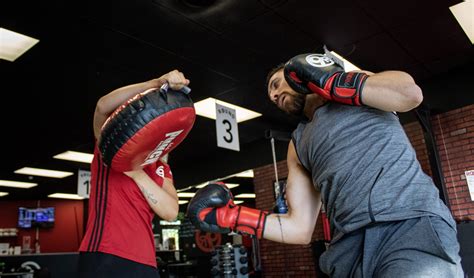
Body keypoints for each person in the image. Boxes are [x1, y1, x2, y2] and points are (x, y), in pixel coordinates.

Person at [187, 54, 464, 277]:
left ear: (300, 72)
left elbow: (409, 94)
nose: (273, 96)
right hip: (349, 247)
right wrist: (232, 218)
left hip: (408, 224)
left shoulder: (361, 89)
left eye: (275, 84)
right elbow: (299, 228)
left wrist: (333, 81)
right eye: (270, 93)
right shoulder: (298, 142)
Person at [78, 70, 189, 278]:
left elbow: (171, 211)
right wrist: (155, 83)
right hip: (104, 255)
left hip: (145, 262)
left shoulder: (160, 168)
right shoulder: (110, 149)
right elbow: (102, 107)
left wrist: (137, 173)